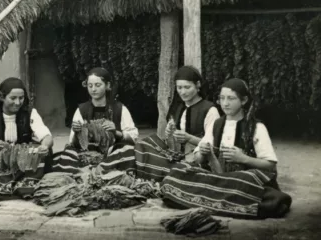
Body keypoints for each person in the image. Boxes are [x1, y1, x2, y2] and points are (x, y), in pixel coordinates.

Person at [161, 78, 292, 219]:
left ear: (243, 101)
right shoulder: (217, 124)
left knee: (244, 180)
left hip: (242, 180)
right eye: (222, 98)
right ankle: (223, 198)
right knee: (177, 171)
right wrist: (204, 154)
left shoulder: (255, 127)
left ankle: (211, 197)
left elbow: (271, 165)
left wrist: (244, 158)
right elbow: (198, 158)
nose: (225, 103)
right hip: (220, 179)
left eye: (231, 98)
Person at [100, 66, 220, 179]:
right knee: (140, 147)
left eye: (187, 87)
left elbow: (213, 146)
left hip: (198, 161)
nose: (183, 92)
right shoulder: (180, 108)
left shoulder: (210, 110)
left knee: (146, 159)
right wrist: (170, 133)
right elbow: (170, 143)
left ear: (198, 85)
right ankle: (104, 170)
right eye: (179, 88)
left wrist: (189, 138)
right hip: (178, 157)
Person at [52, 68, 139, 174]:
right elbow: (73, 143)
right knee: (68, 152)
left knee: (128, 151)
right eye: (90, 86)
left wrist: (116, 133)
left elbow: (134, 137)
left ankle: (98, 171)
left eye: (98, 85)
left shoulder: (120, 109)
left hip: (113, 154)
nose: (93, 89)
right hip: (87, 155)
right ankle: (94, 172)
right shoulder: (81, 110)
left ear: (107, 85)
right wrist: (76, 132)